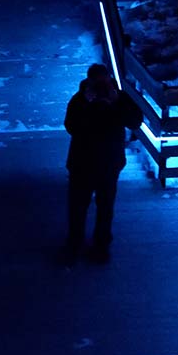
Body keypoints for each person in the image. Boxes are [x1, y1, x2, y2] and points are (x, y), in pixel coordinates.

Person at [62, 63, 142, 265]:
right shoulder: (80, 99)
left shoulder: (118, 98)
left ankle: (97, 244)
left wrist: (115, 104)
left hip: (103, 163)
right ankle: (80, 242)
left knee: (100, 206)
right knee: (82, 206)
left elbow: (135, 121)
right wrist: (87, 103)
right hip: (87, 163)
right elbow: (72, 126)